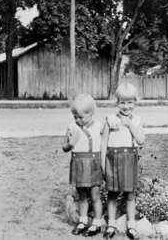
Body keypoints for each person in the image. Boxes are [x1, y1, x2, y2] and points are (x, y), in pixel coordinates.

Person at [101, 83, 145, 240]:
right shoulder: (110, 120)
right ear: (117, 102)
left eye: (130, 102)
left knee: (130, 194)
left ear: (135, 102)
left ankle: (131, 225)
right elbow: (103, 143)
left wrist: (130, 124)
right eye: (122, 102)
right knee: (112, 194)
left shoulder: (137, 120)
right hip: (112, 159)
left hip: (129, 160)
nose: (126, 106)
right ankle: (111, 224)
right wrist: (102, 165)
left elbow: (141, 140)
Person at [62, 93, 103, 237]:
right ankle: (83, 220)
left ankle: (97, 222)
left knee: (95, 195)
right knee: (82, 195)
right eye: (75, 117)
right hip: (79, 164)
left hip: (93, 164)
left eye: (81, 117)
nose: (78, 120)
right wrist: (70, 143)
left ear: (91, 113)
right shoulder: (72, 127)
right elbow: (64, 147)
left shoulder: (99, 126)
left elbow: (106, 142)